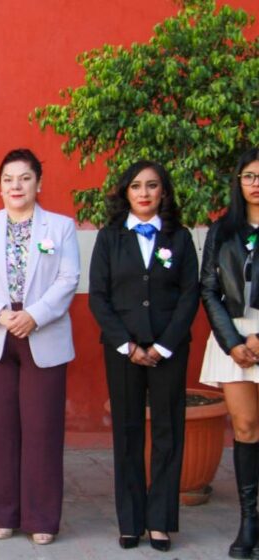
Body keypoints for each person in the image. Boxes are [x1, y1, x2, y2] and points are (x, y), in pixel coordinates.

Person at [0, 148, 80, 545]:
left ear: (38, 184)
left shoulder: (60, 227)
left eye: (25, 178)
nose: (16, 185)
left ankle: (42, 518)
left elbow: (68, 278)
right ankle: (2, 513)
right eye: (9, 179)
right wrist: (0, 313)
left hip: (42, 333)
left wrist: (36, 315)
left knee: (42, 429)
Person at [88, 161, 199, 552]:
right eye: (136, 186)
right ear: (126, 193)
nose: (144, 193)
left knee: (169, 433)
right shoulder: (110, 238)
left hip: (169, 348)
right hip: (123, 352)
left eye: (152, 186)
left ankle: (160, 521)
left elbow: (190, 295)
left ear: (163, 192)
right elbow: (98, 297)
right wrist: (128, 345)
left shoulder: (180, 238)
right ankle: (131, 521)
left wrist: (163, 345)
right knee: (128, 432)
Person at [200, 147, 259, 559]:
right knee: (246, 427)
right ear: (238, 182)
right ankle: (249, 521)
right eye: (249, 176)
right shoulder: (223, 230)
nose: (256, 183)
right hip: (233, 338)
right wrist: (233, 342)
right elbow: (208, 288)